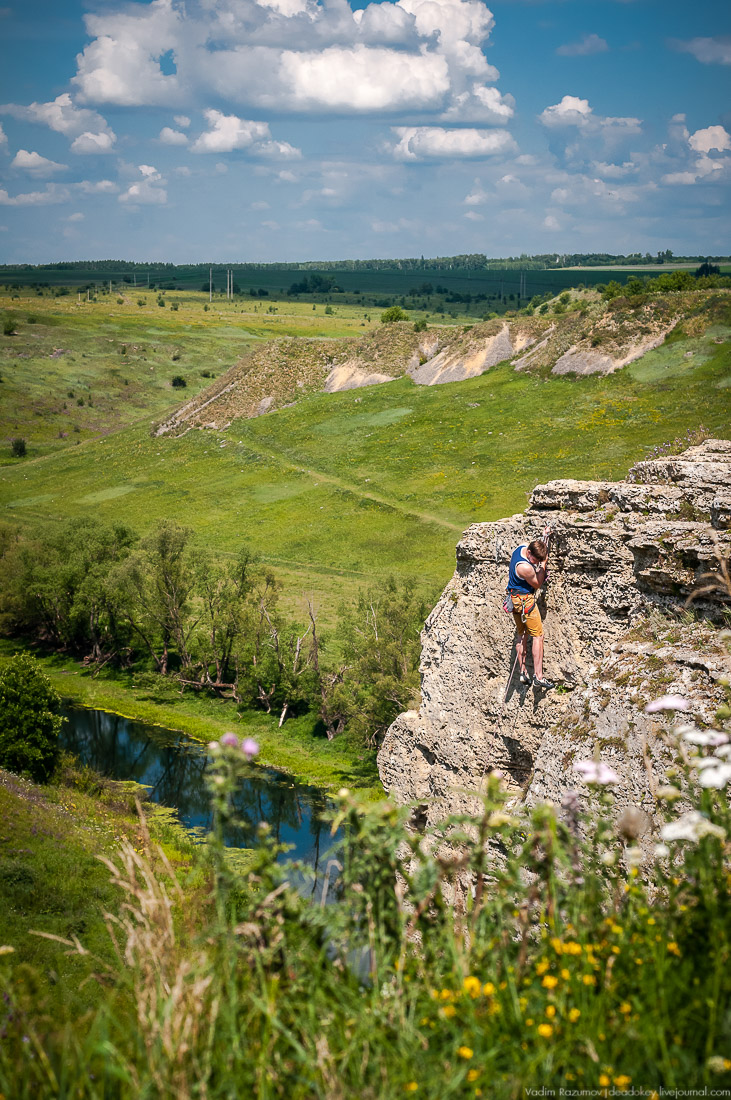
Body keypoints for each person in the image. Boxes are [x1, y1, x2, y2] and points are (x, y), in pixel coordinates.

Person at [507, 538, 554, 690]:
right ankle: (538, 677)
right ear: (529, 553)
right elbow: (537, 583)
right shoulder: (525, 567)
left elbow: (537, 547)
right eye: (535, 560)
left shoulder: (521, 547)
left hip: (514, 600)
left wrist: (545, 536)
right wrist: (544, 564)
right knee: (538, 636)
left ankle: (523, 672)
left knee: (522, 635)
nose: (536, 563)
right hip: (525, 601)